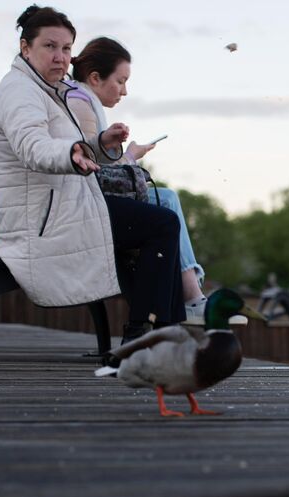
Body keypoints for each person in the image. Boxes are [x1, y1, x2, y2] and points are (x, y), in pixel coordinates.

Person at [0, 5, 185, 344]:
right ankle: (148, 336)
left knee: (159, 221)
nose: (60, 57)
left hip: (64, 208)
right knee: (162, 223)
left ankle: (162, 333)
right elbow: (33, 146)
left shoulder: (47, 89)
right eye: (49, 46)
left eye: (66, 48)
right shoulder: (20, 92)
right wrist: (71, 152)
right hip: (44, 222)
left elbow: (66, 147)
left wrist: (97, 144)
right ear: (25, 48)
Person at [67, 37, 207, 324]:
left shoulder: (82, 100)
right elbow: (95, 173)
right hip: (84, 210)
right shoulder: (82, 106)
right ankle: (190, 297)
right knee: (166, 202)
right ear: (95, 78)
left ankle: (190, 296)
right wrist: (129, 158)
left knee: (166, 201)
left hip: (82, 203)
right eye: (120, 81)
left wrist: (125, 155)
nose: (125, 91)